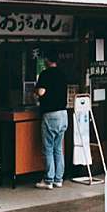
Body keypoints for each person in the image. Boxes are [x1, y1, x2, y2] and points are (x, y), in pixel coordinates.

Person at [34, 47, 68, 189]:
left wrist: (35, 91)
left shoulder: (45, 74)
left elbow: (41, 92)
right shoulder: (62, 74)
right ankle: (58, 179)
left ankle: (48, 180)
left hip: (50, 114)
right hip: (63, 114)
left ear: (47, 60)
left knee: (48, 148)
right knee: (58, 148)